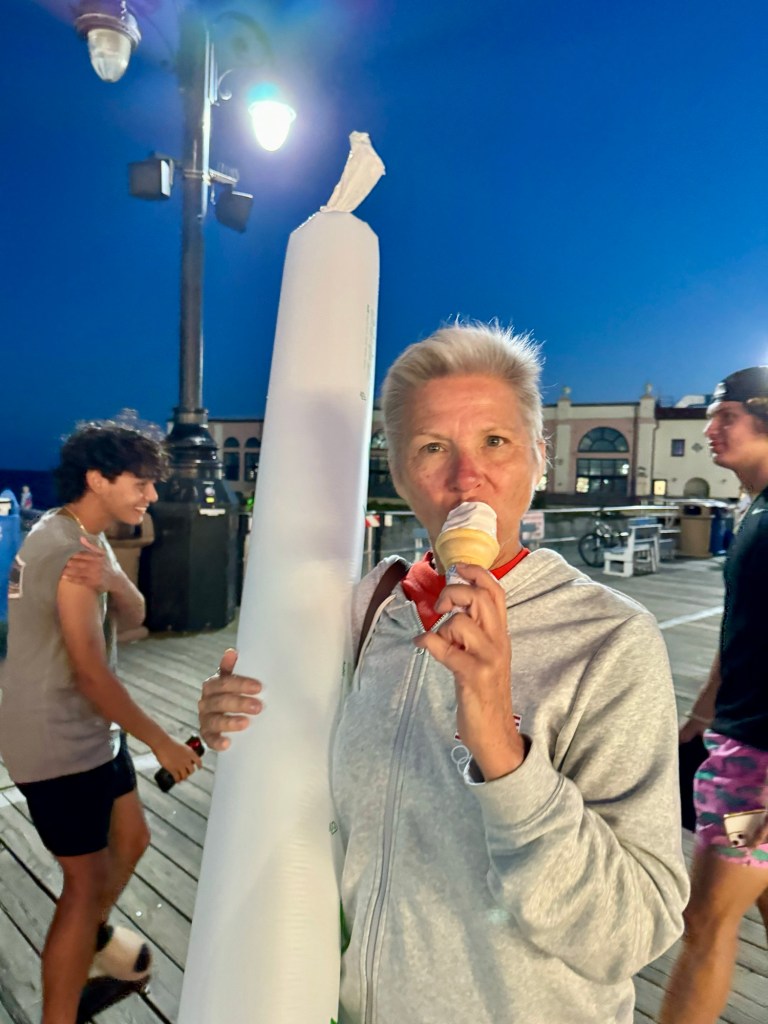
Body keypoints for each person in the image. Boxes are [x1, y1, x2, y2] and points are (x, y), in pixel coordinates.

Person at [200, 322, 688, 1023]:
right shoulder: (370, 611)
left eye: (496, 441)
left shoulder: (608, 640)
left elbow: (631, 932)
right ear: (400, 474)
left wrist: (503, 753)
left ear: (539, 458)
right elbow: (324, 803)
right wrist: (245, 724)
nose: (467, 477)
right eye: (433, 448)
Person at [0, 424, 202, 1024]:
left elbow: (135, 616)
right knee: (84, 884)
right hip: (55, 736)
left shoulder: (83, 535)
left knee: (131, 839)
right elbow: (91, 674)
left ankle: (87, 941)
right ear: (98, 479)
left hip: (93, 732)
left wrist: (114, 579)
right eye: (141, 483)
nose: (151, 496)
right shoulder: (66, 553)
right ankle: (63, 1007)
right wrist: (161, 742)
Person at [661, 366, 768, 1024]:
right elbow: (741, 632)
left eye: (726, 417)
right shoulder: (754, 511)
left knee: (705, 923)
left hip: (757, 776)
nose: (710, 430)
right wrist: (700, 716)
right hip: (738, 746)